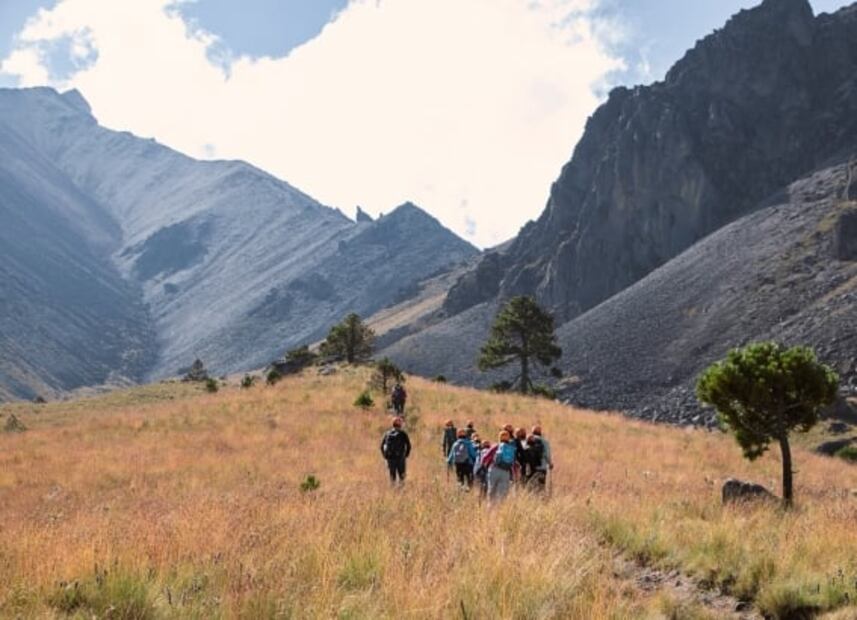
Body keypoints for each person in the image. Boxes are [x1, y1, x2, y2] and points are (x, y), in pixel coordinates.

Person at [380, 417, 411, 485]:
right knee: (401, 476)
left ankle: (392, 490)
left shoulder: (387, 433)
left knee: (392, 476)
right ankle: (401, 491)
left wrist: (385, 456)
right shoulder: (403, 434)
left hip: (390, 458)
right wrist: (406, 455)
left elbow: (381, 446)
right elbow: (408, 445)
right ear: (400, 424)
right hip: (400, 458)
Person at [488, 430, 517, 502]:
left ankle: (490, 509)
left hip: (494, 469)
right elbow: (513, 461)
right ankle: (500, 509)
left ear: (499, 437)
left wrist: (485, 465)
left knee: (492, 490)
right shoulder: (511, 448)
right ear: (508, 438)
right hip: (506, 471)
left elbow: (486, 456)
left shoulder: (496, 446)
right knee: (502, 493)